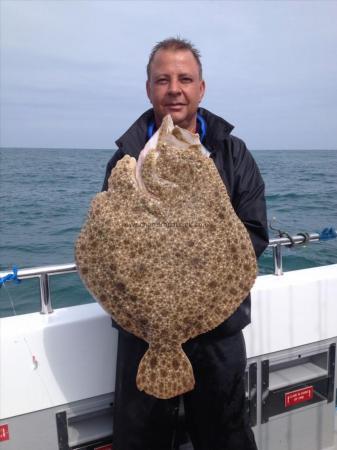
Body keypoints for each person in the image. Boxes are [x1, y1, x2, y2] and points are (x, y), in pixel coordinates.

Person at [102, 38, 269, 450]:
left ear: (201, 88)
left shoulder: (233, 153)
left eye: (185, 78)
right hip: (145, 334)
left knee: (225, 437)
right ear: (149, 89)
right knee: (142, 441)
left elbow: (253, 232)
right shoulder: (125, 158)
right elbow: (107, 244)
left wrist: (191, 259)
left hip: (218, 334)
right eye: (163, 79)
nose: (174, 88)